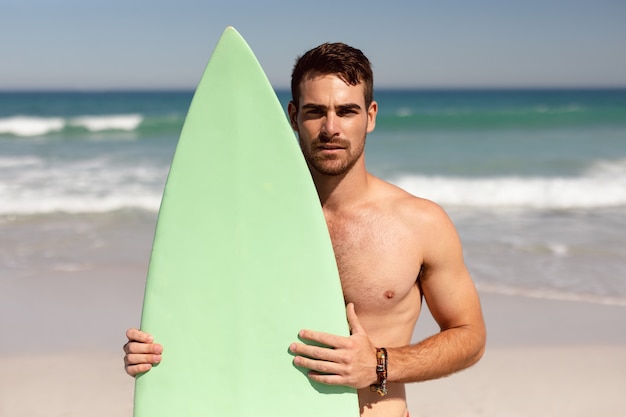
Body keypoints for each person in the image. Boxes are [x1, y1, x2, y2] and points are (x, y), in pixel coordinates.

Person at [124, 42, 486, 417]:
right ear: (293, 116)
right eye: (316, 112)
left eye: (347, 111)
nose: (331, 128)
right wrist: (154, 354)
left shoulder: (419, 223)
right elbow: (211, 321)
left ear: (371, 116)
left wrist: (379, 364)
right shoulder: (246, 225)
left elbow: (470, 337)